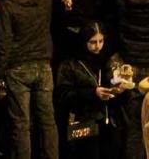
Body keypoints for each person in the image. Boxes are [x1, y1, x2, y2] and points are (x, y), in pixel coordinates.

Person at [0, 0, 59, 159]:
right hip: (43, 63)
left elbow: (4, 42)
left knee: (21, 124)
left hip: (17, 67)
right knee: (48, 121)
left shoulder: (8, 3)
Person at [54, 21, 126, 159]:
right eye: (93, 42)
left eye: (101, 41)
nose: (98, 46)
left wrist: (118, 90)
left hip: (107, 125)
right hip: (84, 127)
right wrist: (92, 93)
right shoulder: (71, 64)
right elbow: (63, 95)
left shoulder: (109, 61)